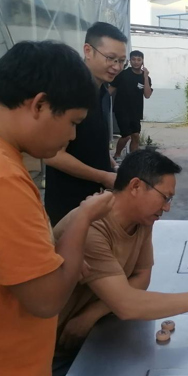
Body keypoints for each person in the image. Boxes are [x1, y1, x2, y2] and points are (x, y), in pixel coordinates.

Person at [0, 41, 115, 376]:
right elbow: (47, 299)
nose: (72, 136)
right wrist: (83, 217)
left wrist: (55, 257)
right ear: (39, 104)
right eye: (73, 122)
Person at [50, 149, 188, 376]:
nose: (167, 208)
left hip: (99, 332)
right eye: (165, 197)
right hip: (57, 351)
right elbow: (127, 305)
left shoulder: (141, 219)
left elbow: (142, 277)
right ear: (135, 186)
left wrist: (93, 312)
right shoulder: (92, 227)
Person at [44, 22, 128, 226]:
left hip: (94, 201)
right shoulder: (69, 91)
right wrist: (103, 176)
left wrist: (109, 162)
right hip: (70, 206)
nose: (116, 67)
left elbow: (89, 139)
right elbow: (53, 155)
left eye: (121, 61)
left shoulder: (102, 91)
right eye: (110, 58)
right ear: (88, 51)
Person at [111, 50, 153, 161]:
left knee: (136, 136)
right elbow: (110, 90)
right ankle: (117, 156)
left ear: (142, 61)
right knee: (126, 136)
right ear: (130, 60)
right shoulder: (123, 74)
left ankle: (132, 160)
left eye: (139, 59)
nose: (136, 62)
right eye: (133, 59)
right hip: (121, 110)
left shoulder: (145, 78)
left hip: (136, 111)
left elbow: (147, 95)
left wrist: (145, 77)